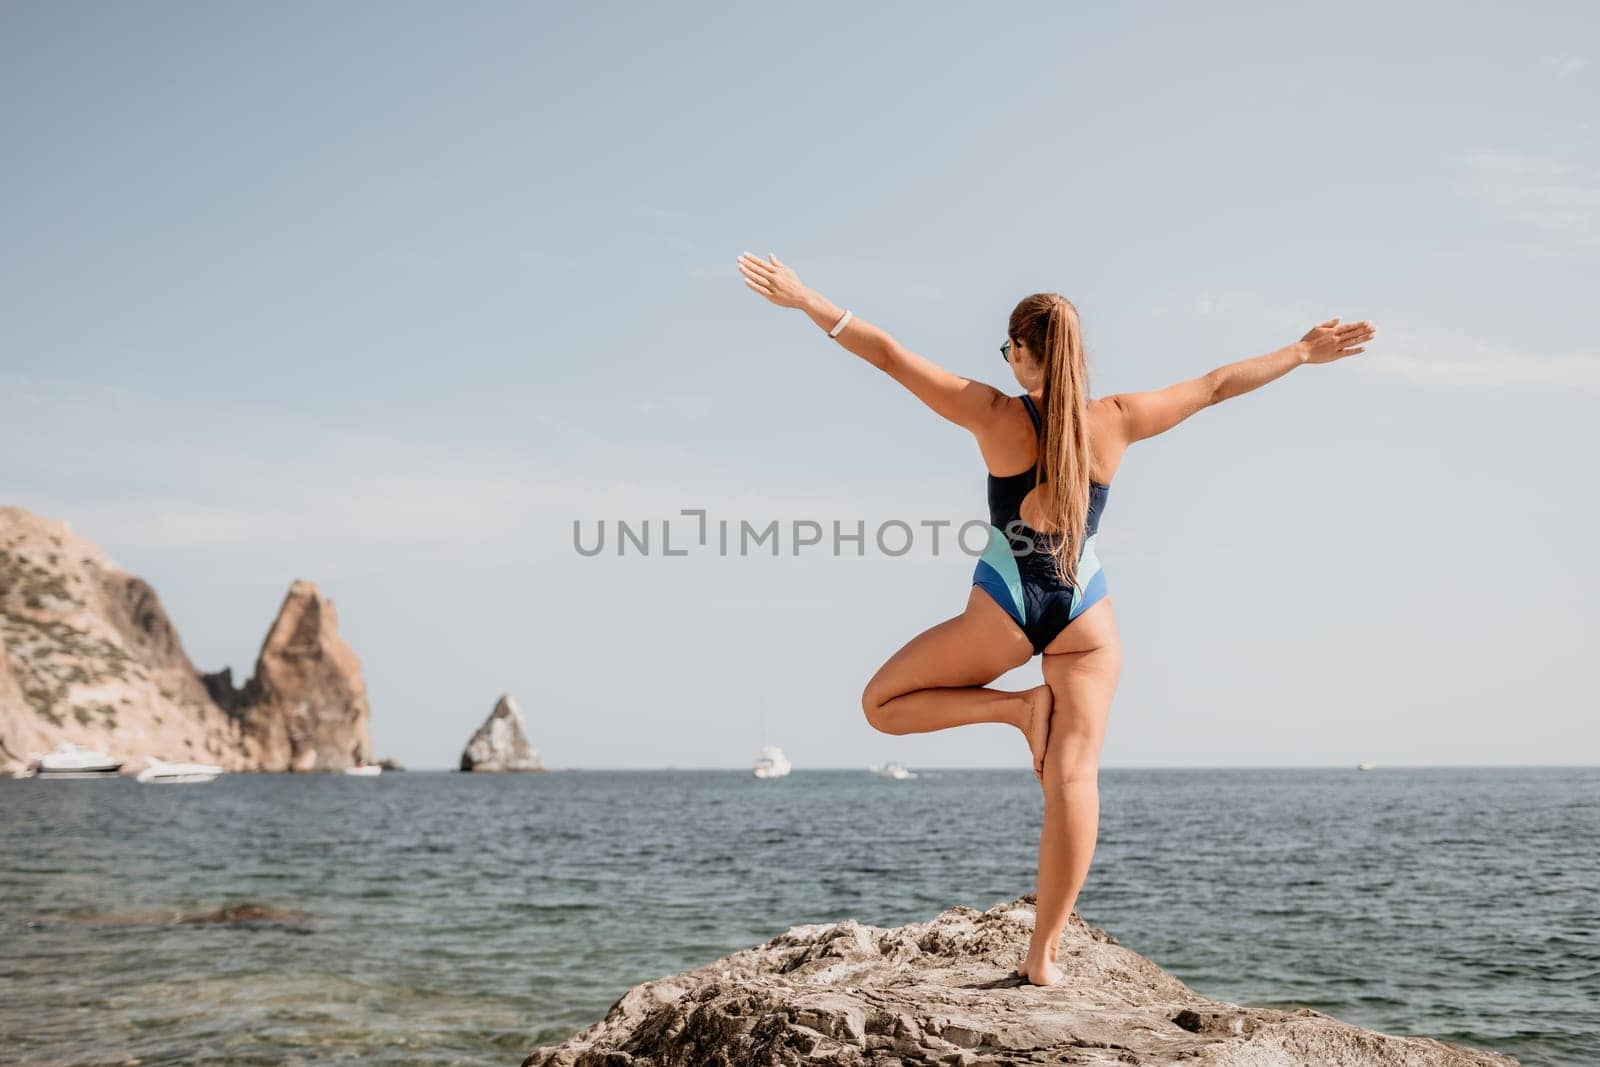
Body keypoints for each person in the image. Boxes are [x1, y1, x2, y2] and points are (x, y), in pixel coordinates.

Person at [736, 251, 1376, 986]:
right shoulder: (1120, 419)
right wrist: (1300, 351)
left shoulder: (995, 414)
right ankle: (1044, 955)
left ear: (1022, 352)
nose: (1005, 357)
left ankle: (1016, 710)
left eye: (1008, 346)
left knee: (880, 705)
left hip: (1004, 610)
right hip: (1086, 617)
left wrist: (805, 298)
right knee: (1074, 781)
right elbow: (1215, 385)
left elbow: (887, 353)